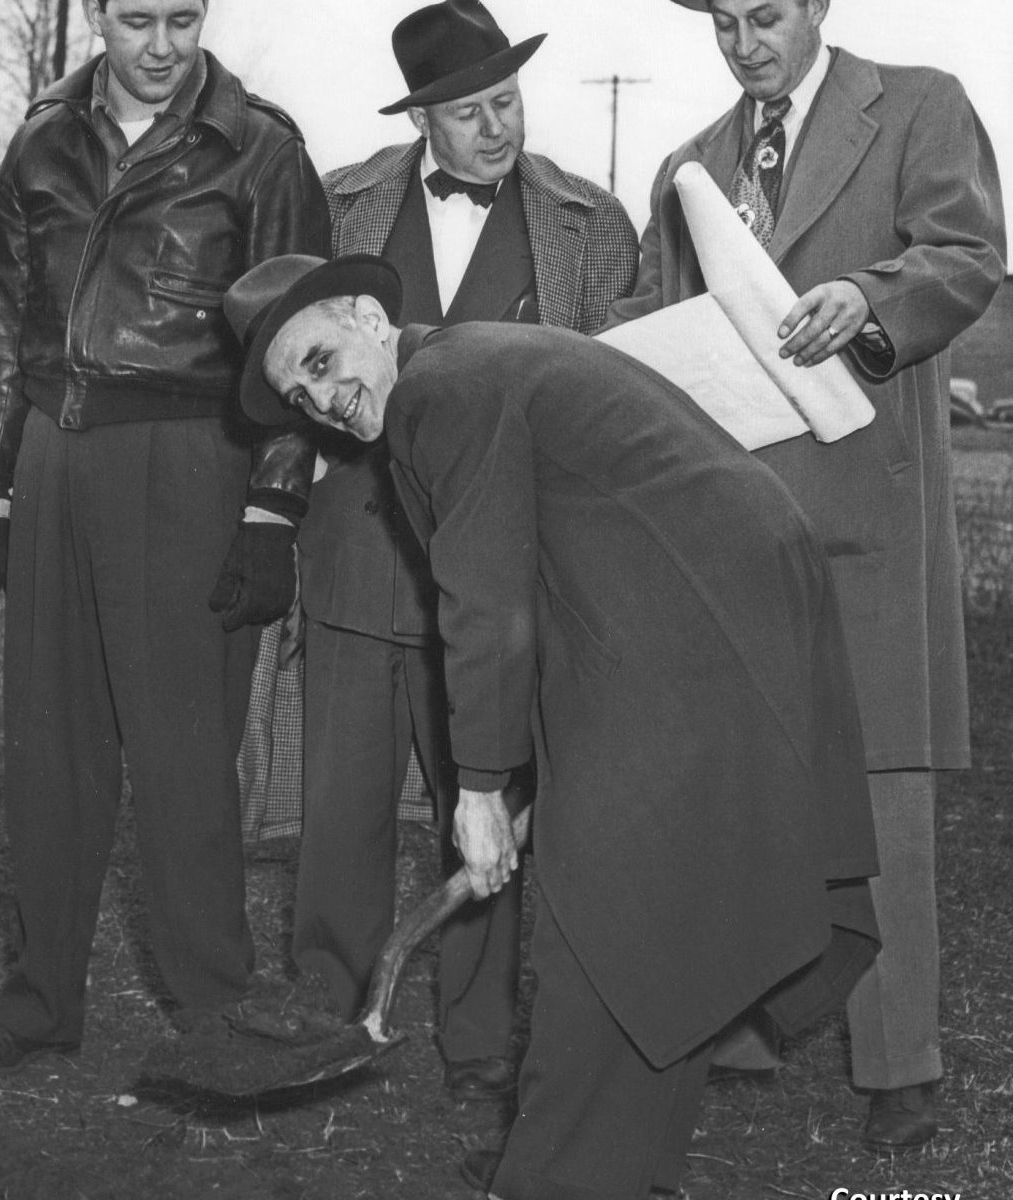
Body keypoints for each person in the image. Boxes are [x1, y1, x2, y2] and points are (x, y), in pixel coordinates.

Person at [229, 252, 879, 1200]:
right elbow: (537, 572)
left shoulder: (440, 389)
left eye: (321, 360)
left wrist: (483, 789)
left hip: (692, 622)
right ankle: (618, 1165)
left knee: (600, 918)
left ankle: (560, 1178)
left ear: (371, 317)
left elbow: (486, 601)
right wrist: (532, 768)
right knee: (660, 913)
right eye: (300, 393)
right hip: (699, 602)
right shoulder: (466, 364)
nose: (321, 399)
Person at [610, 0, 1006, 1152]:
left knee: (885, 790)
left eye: (765, 17)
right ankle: (744, 1025)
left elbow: (967, 255)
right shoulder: (690, 166)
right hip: (735, 523)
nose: (745, 44)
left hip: (867, 511)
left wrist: (870, 300)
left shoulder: (920, 105)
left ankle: (901, 1067)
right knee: (746, 783)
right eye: (723, 23)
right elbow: (653, 308)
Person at [0, 0, 329, 1075]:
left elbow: (310, 338)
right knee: (49, 748)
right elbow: (5, 316)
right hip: (56, 458)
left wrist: (271, 505)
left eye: (182, 19)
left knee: (181, 756)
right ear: (100, 18)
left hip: (190, 457)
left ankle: (216, 1011)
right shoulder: (41, 139)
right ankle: (38, 1005)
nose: (160, 47)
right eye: (136, 20)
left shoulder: (261, 148)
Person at [293, 0, 637, 1104]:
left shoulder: (591, 222)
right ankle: (330, 1011)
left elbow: (611, 401)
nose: (497, 128)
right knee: (339, 806)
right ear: (422, 120)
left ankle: (477, 1035)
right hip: (356, 552)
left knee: (482, 804)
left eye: (508, 101)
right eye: (470, 111)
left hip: (499, 576)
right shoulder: (339, 204)